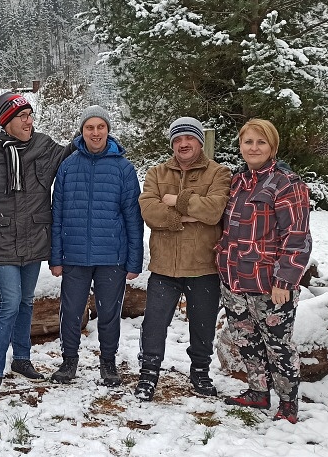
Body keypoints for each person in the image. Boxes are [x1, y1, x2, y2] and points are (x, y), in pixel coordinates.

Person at [216, 118, 311, 424]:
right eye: (248, 142)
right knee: (246, 338)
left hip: (270, 283)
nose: (254, 148)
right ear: (240, 145)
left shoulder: (287, 183)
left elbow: (297, 237)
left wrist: (286, 280)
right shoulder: (238, 181)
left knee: (278, 345)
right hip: (234, 278)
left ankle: (288, 403)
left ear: (272, 147)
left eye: (261, 142)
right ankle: (258, 392)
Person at [0, 92, 71, 400]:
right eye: (22, 116)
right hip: (1, 236)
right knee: (10, 302)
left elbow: (73, 153)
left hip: (34, 235)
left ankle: (21, 359)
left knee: (26, 301)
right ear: (6, 121)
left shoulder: (43, 146)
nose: (29, 122)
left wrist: (96, 134)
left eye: (30, 115)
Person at [134, 117, 231, 401]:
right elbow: (149, 211)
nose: (183, 144)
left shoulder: (218, 173)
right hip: (164, 266)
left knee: (202, 325)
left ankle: (200, 372)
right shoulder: (157, 173)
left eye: (189, 138)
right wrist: (188, 216)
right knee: (154, 324)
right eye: (177, 139)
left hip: (203, 266)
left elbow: (213, 211)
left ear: (199, 141)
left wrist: (175, 201)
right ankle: (148, 373)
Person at [49, 105, 144, 386]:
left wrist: (134, 260)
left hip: (112, 256)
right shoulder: (68, 166)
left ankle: (108, 362)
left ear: (108, 130)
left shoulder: (123, 168)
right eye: (89, 127)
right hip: (74, 254)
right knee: (70, 312)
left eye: (100, 126)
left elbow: (133, 217)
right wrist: (56, 257)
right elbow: (57, 214)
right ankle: (69, 360)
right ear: (82, 131)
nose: (95, 132)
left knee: (109, 314)